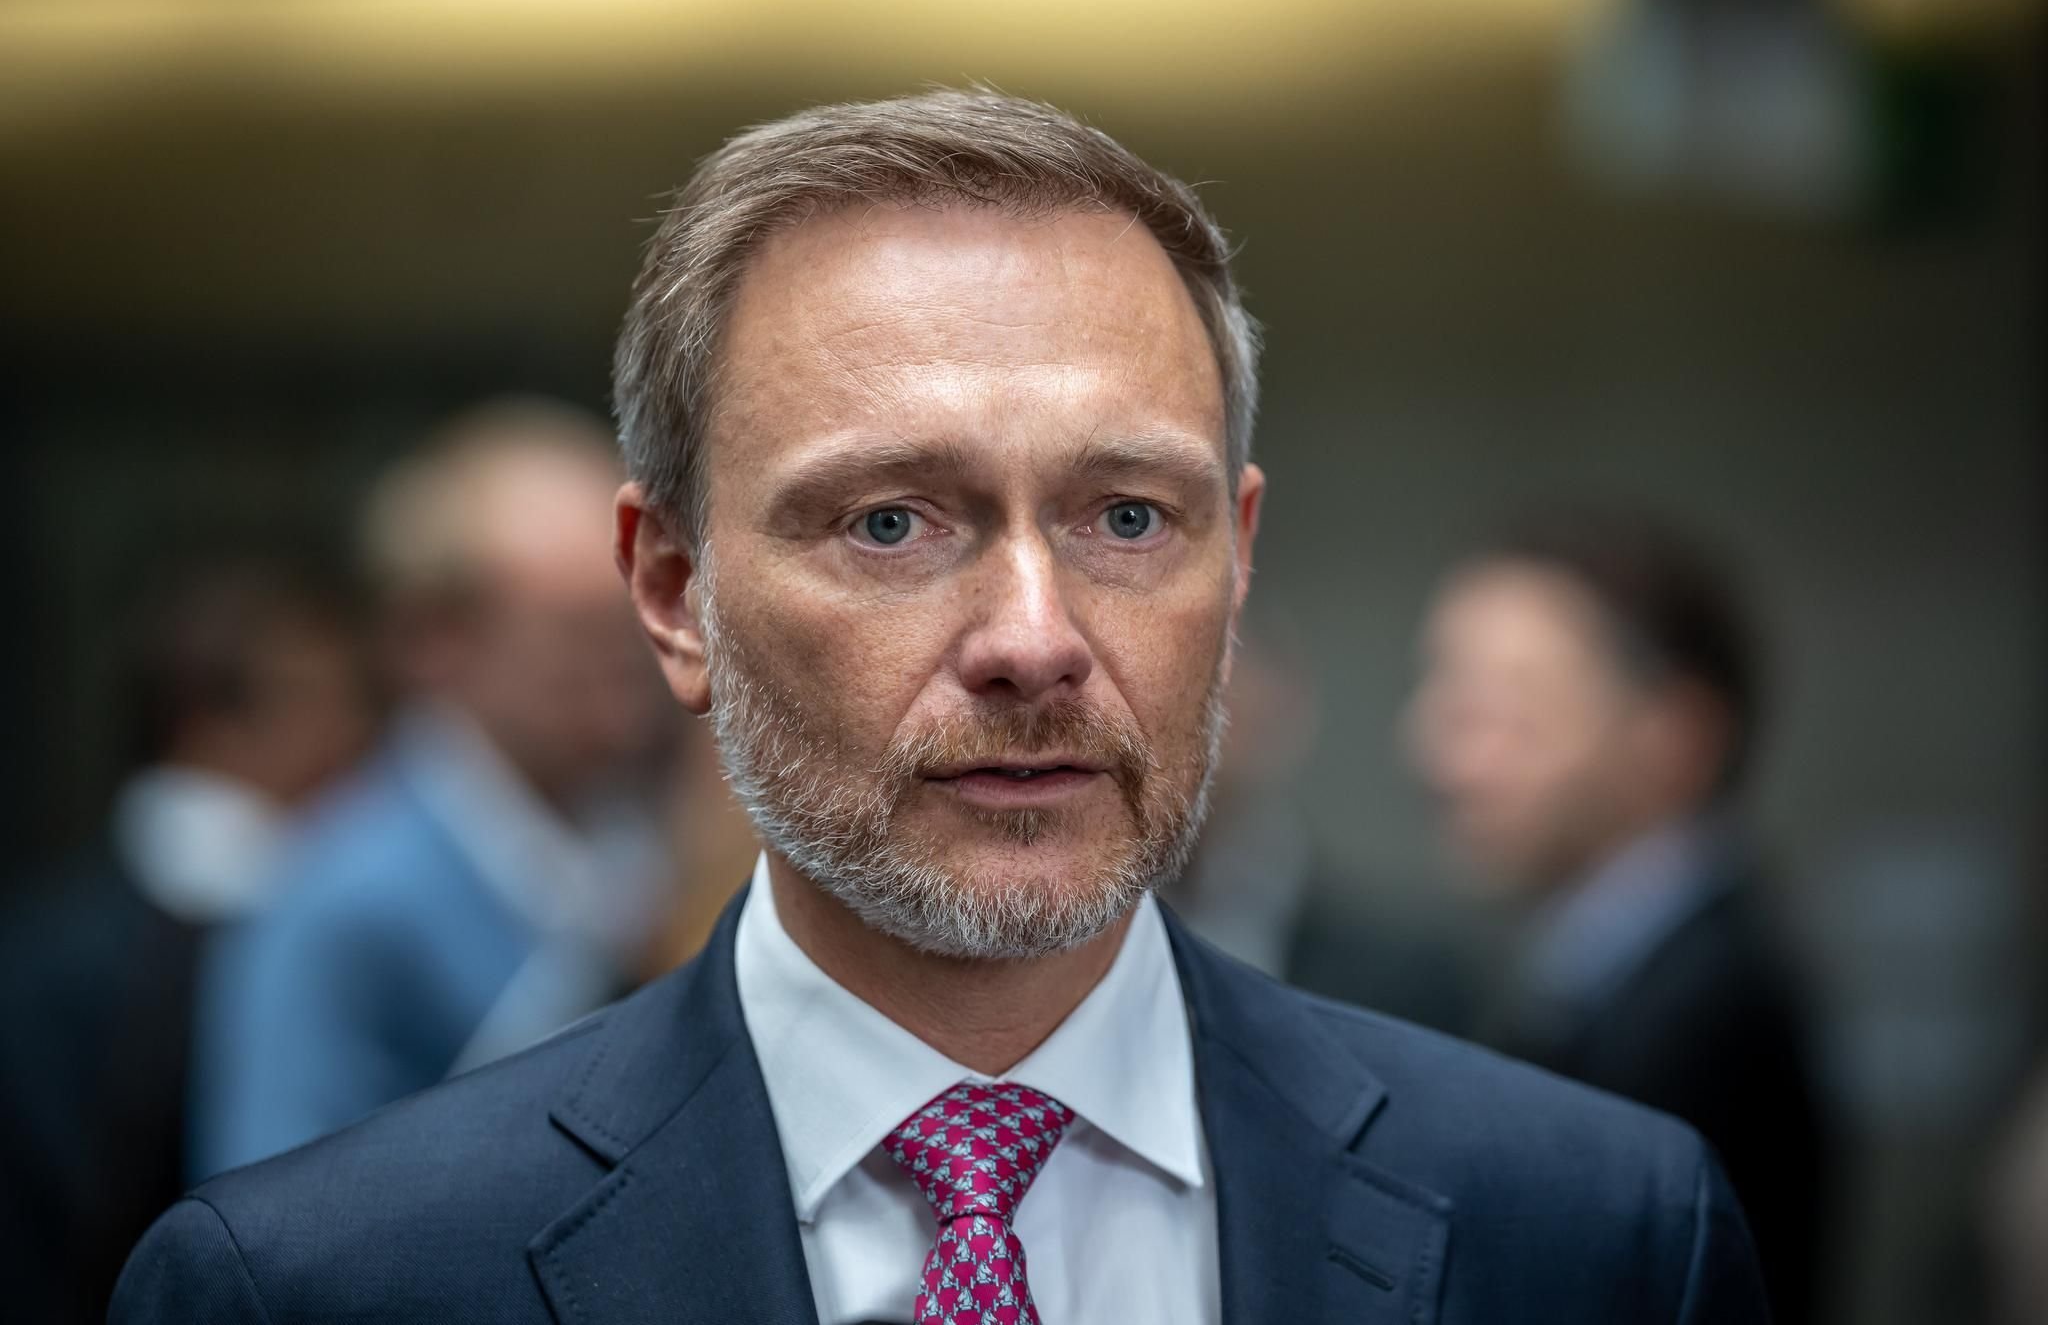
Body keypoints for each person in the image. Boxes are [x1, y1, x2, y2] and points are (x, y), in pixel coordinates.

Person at [116, 90, 1769, 1324]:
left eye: (1130, 515)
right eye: (891, 521)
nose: (1035, 641)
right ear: (675, 592)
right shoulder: (322, 1284)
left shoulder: (1598, 1233)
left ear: (1241, 559)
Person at [186, 399, 674, 1179]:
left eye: (645, 616)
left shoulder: (649, 839)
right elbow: (269, 1210)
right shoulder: (341, 902)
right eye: (579, 630)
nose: (629, 663)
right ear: (434, 637)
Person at [1408, 508, 1834, 1325]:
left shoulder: (1704, 1009)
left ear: (1675, 738)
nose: (1437, 756)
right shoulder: (1621, 972)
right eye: (1440, 702)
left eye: (1495, 713)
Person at [0, 554, 373, 1324]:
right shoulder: (114, 956)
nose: (351, 733)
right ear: (206, 723)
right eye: (315, 698)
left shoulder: (72, 934)